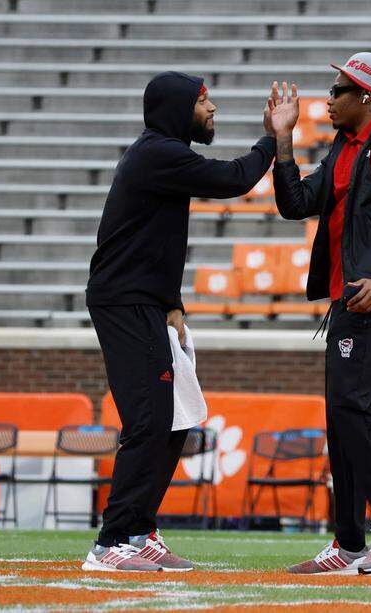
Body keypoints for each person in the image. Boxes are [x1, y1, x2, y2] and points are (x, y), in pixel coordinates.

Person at [84, 71, 277, 572]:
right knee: (148, 421)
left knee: (177, 421)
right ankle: (111, 543)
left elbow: (156, 242)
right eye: (202, 100)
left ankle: (141, 532)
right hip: (125, 303)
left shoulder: (162, 155)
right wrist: (275, 138)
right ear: (175, 108)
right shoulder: (158, 153)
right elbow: (234, 178)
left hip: (149, 302)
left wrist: (174, 303)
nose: (211, 109)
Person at [269, 52, 371, 576]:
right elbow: (295, 203)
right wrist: (282, 139)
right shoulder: (347, 148)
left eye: (338, 90)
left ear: (367, 95)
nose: (328, 99)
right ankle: (349, 545)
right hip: (350, 297)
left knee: (350, 411)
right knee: (342, 420)